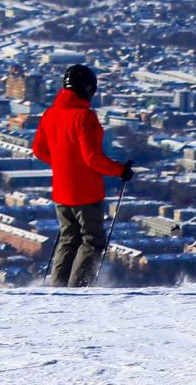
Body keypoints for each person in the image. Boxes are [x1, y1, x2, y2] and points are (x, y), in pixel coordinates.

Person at [30, 64, 135, 288]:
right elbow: (92, 159)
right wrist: (120, 170)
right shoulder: (84, 117)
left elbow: (39, 150)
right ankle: (78, 290)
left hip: (61, 191)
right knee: (92, 241)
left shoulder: (50, 114)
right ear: (88, 89)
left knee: (68, 240)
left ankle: (57, 288)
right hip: (85, 192)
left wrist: (62, 164)